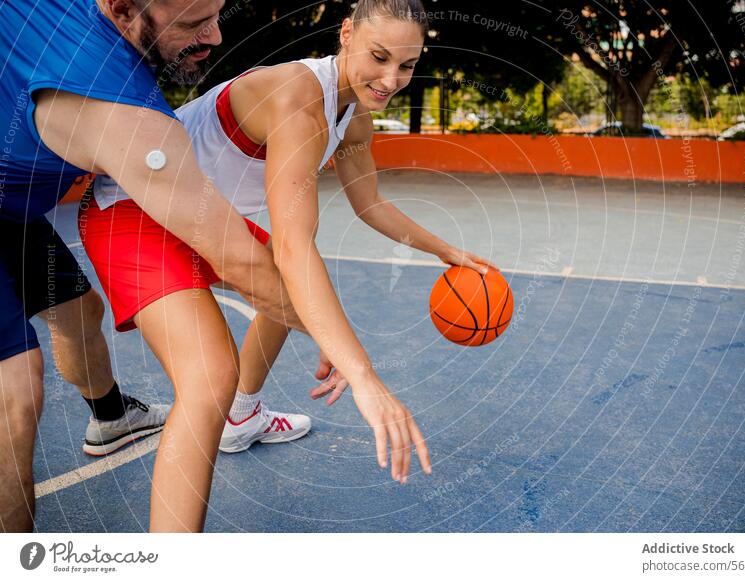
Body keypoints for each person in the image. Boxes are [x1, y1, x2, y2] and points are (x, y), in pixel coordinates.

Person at [85, 0, 495, 510]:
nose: (391, 79)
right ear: (346, 34)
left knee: (296, 279)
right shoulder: (301, 97)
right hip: (135, 210)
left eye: (406, 65)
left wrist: (447, 251)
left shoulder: (355, 116)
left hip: (208, 221)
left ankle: (245, 414)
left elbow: (370, 204)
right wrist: (364, 375)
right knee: (210, 378)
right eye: (380, 56)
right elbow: (296, 245)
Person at [0, 0, 309, 532]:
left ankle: (111, 416)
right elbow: (237, 259)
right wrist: (349, 356)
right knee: (16, 393)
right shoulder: (120, 110)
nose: (213, 35)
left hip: (15, 208)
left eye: (217, 13)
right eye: (192, 24)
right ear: (121, 11)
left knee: (79, 313)